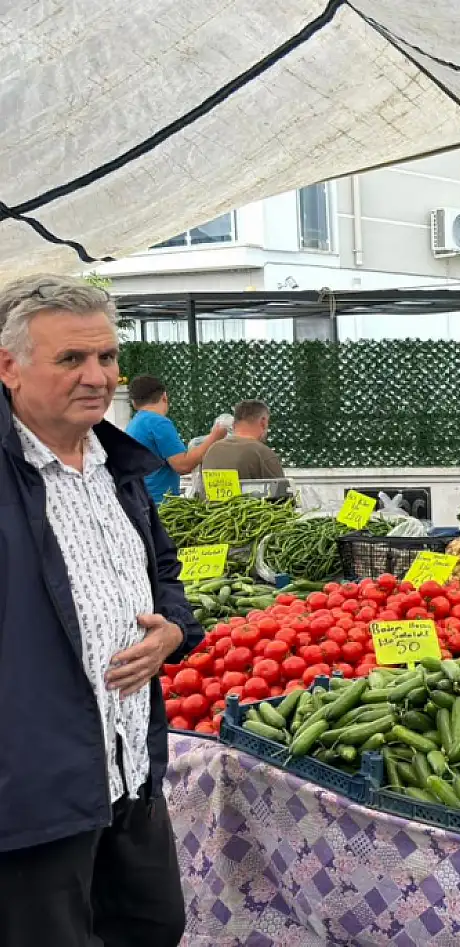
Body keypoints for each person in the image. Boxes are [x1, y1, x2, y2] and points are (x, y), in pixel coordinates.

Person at [0, 274, 201, 945]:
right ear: (9, 366)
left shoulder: (119, 466)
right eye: (71, 359)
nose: (97, 376)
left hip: (130, 768)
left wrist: (174, 626)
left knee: (153, 924)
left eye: (107, 357)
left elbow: (163, 571)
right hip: (32, 788)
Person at [124, 374, 227, 504]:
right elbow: (183, 465)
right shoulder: (158, 423)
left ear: (133, 402)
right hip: (159, 505)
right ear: (164, 397)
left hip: (140, 501)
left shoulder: (135, 423)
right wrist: (214, 437)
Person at [201, 399, 284, 482]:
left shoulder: (212, 450)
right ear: (263, 422)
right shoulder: (263, 454)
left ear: (234, 424)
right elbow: (282, 491)